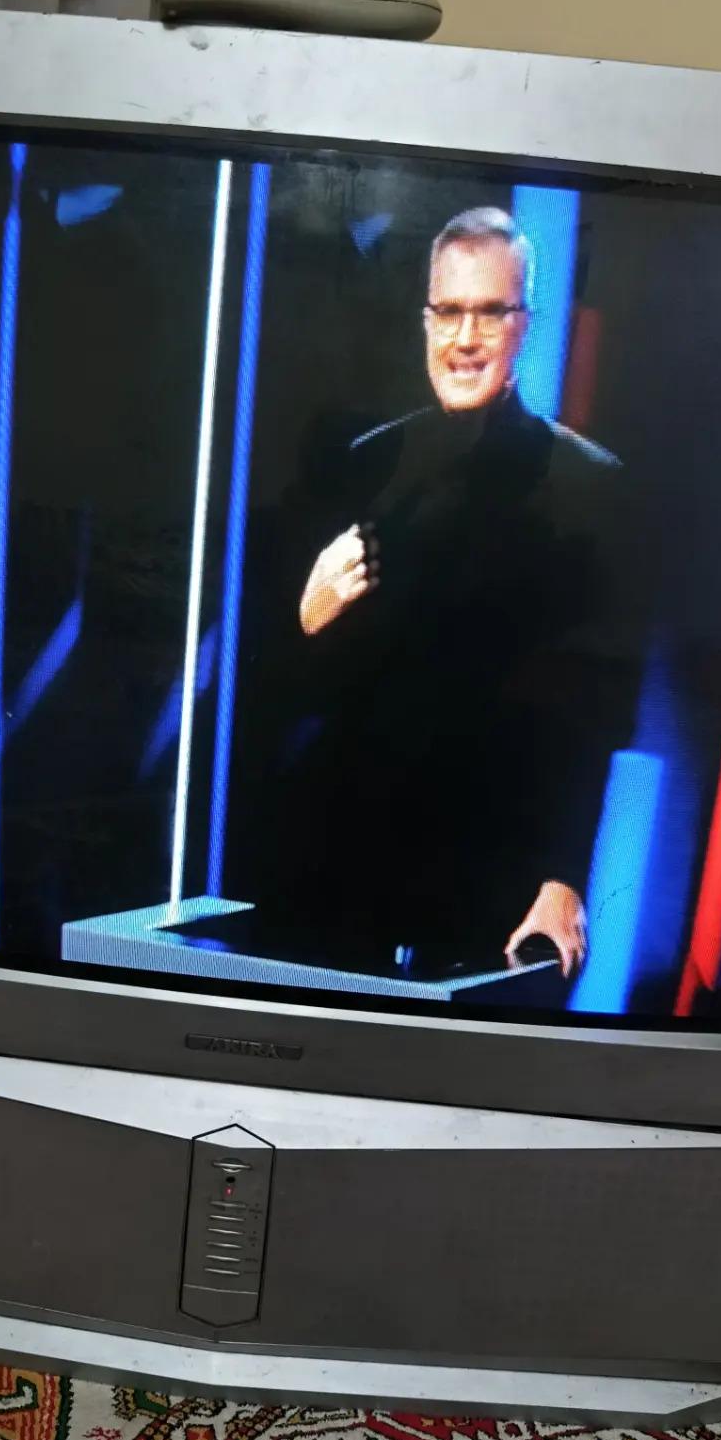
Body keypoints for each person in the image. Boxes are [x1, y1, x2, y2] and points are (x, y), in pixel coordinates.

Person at [248, 206, 626, 982]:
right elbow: (278, 698)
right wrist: (306, 622)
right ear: (425, 321)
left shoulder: (585, 484)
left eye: (490, 313)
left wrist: (562, 878)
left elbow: (587, 711)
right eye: (449, 312)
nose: (466, 338)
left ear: (526, 325)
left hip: (485, 880)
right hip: (335, 861)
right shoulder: (358, 465)